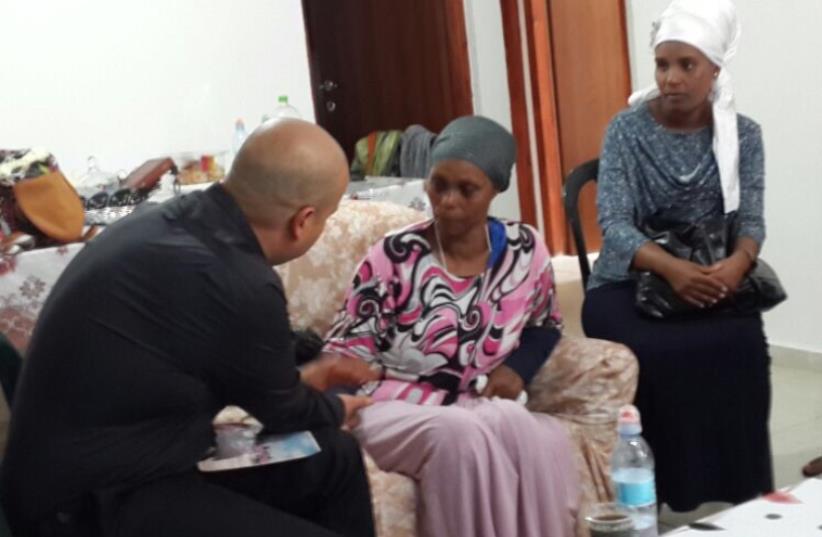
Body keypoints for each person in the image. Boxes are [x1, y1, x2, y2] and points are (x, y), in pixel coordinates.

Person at [0, 119, 380, 537]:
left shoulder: (163, 224)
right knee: (328, 441)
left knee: (335, 459)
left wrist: (305, 382)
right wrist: (337, 405)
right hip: (85, 502)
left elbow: (253, 381)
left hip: (139, 460)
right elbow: (283, 410)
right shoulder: (239, 279)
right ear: (303, 220)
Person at [323, 116, 580, 537]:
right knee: (459, 434)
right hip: (386, 404)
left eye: (466, 189)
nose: (447, 201)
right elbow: (346, 349)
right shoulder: (396, 255)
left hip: (471, 404)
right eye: (438, 184)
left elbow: (544, 323)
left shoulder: (524, 250)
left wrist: (517, 369)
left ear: (496, 189)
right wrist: (329, 415)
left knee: (530, 432)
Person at [582, 0, 773, 512]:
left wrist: (736, 265)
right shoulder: (626, 130)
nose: (671, 78)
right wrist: (671, 269)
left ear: (714, 69)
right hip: (628, 277)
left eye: (687, 65)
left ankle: (740, 490)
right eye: (663, 64)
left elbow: (750, 221)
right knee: (658, 352)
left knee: (741, 343)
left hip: (711, 269)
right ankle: (659, 488)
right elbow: (615, 226)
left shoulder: (743, 134)